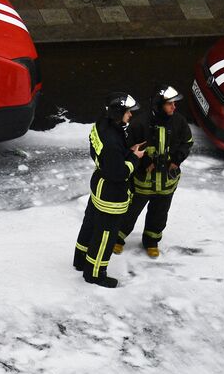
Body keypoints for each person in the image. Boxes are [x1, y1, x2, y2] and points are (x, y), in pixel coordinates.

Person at [73, 92, 147, 288]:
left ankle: (80, 260)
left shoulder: (100, 125)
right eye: (128, 112)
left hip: (99, 185)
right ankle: (95, 273)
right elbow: (120, 173)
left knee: (89, 225)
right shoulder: (112, 142)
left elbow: (105, 156)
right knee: (105, 235)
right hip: (112, 194)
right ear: (118, 112)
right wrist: (135, 158)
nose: (131, 115)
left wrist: (126, 152)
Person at [116, 85, 193, 258]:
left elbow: (187, 142)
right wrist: (144, 162)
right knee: (130, 212)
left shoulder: (179, 121)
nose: (174, 107)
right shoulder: (139, 124)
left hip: (167, 182)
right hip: (143, 181)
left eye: (174, 103)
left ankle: (151, 240)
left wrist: (176, 159)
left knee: (159, 214)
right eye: (169, 104)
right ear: (158, 105)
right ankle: (118, 238)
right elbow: (128, 147)